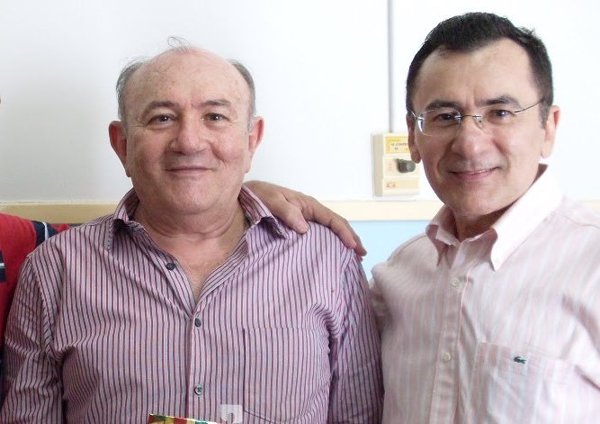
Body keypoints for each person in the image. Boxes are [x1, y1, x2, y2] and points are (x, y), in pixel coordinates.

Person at [248, 12, 600, 423]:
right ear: (413, 138)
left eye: (501, 113)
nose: (470, 143)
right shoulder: (396, 279)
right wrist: (241, 198)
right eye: (445, 117)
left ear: (548, 127)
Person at [0, 45, 383, 422]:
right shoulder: (56, 269)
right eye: (162, 118)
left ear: (251, 139)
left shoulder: (327, 260)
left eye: (215, 117)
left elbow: (360, 415)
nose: (189, 142)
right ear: (122, 145)